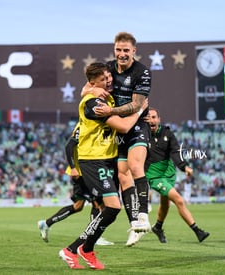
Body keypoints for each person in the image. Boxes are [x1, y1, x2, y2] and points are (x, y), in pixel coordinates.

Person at [59, 62, 147, 270]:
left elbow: (89, 88)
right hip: (92, 159)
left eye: (109, 77)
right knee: (113, 207)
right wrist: (140, 108)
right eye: (103, 80)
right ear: (93, 83)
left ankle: (85, 249)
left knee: (109, 210)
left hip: (106, 159)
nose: (109, 81)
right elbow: (124, 127)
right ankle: (74, 249)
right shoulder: (94, 105)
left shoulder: (102, 96)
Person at [88, 32, 152, 246]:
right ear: (114, 50)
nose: (122, 54)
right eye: (118, 50)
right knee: (123, 176)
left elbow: (136, 105)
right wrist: (95, 89)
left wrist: (110, 110)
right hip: (118, 128)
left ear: (134, 50)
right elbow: (85, 88)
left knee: (135, 166)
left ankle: (143, 215)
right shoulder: (107, 68)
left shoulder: (142, 72)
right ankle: (135, 223)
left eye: (126, 50)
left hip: (136, 125)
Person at [37, 121, 113, 246]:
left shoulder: (94, 125)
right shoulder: (82, 126)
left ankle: (46, 223)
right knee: (98, 204)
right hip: (81, 173)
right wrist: (73, 167)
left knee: (78, 206)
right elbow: (69, 146)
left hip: (86, 172)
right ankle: (94, 236)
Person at [145, 107, 210, 243]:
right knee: (179, 199)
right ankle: (197, 231)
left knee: (165, 205)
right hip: (154, 176)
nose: (151, 120)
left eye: (154, 117)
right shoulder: (142, 136)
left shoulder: (167, 133)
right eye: (148, 117)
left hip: (169, 174)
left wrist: (184, 166)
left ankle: (157, 227)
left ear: (158, 119)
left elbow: (175, 151)